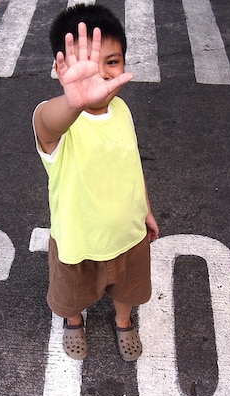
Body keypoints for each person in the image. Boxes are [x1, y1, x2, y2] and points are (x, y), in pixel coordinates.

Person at [32, 4, 159, 361]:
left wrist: (146, 209)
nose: (101, 74)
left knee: (128, 289)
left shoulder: (122, 111)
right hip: (78, 242)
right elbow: (46, 123)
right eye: (87, 64)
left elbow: (131, 164)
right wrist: (74, 102)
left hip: (128, 235)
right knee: (71, 296)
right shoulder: (59, 122)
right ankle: (73, 321)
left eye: (112, 61)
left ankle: (123, 321)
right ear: (62, 67)